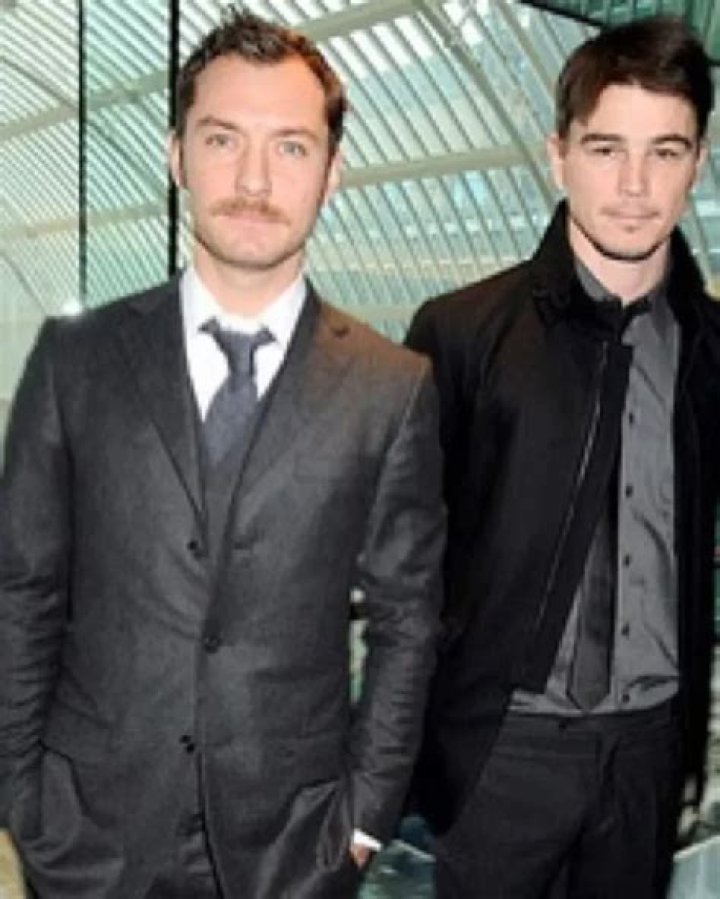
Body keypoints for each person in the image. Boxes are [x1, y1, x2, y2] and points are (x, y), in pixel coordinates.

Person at [0, 8, 445, 898]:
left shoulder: (391, 387)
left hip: (293, 849)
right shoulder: (75, 360)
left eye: (290, 146)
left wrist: (363, 822)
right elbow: (21, 588)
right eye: (221, 138)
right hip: (88, 841)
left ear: (332, 172)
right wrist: (22, 795)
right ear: (177, 156)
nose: (253, 178)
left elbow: (407, 619)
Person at [406, 15, 720, 899]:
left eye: (665, 151)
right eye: (605, 148)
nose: (634, 185)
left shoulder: (710, 348)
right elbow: (405, 567)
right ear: (558, 156)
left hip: (649, 753)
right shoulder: (462, 332)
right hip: (501, 752)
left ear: (698, 162)